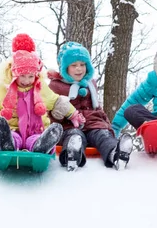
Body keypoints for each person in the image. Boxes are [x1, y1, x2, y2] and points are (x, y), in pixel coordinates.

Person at [0, 34, 83, 154]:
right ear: (14, 73)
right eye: (22, 76)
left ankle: (42, 145)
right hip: (12, 129)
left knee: (35, 139)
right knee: (11, 135)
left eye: (30, 76)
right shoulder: (4, 88)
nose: (26, 81)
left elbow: (56, 102)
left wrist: (73, 114)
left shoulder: (40, 87)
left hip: (35, 130)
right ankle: (7, 143)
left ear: (36, 75)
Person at [48, 41, 133, 170]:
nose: (79, 68)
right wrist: (57, 116)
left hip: (93, 124)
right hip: (68, 125)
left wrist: (107, 126)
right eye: (74, 65)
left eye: (82, 64)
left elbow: (97, 108)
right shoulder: (55, 86)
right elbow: (49, 111)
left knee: (103, 135)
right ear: (65, 68)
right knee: (74, 136)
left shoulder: (90, 84)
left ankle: (115, 154)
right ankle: (72, 155)